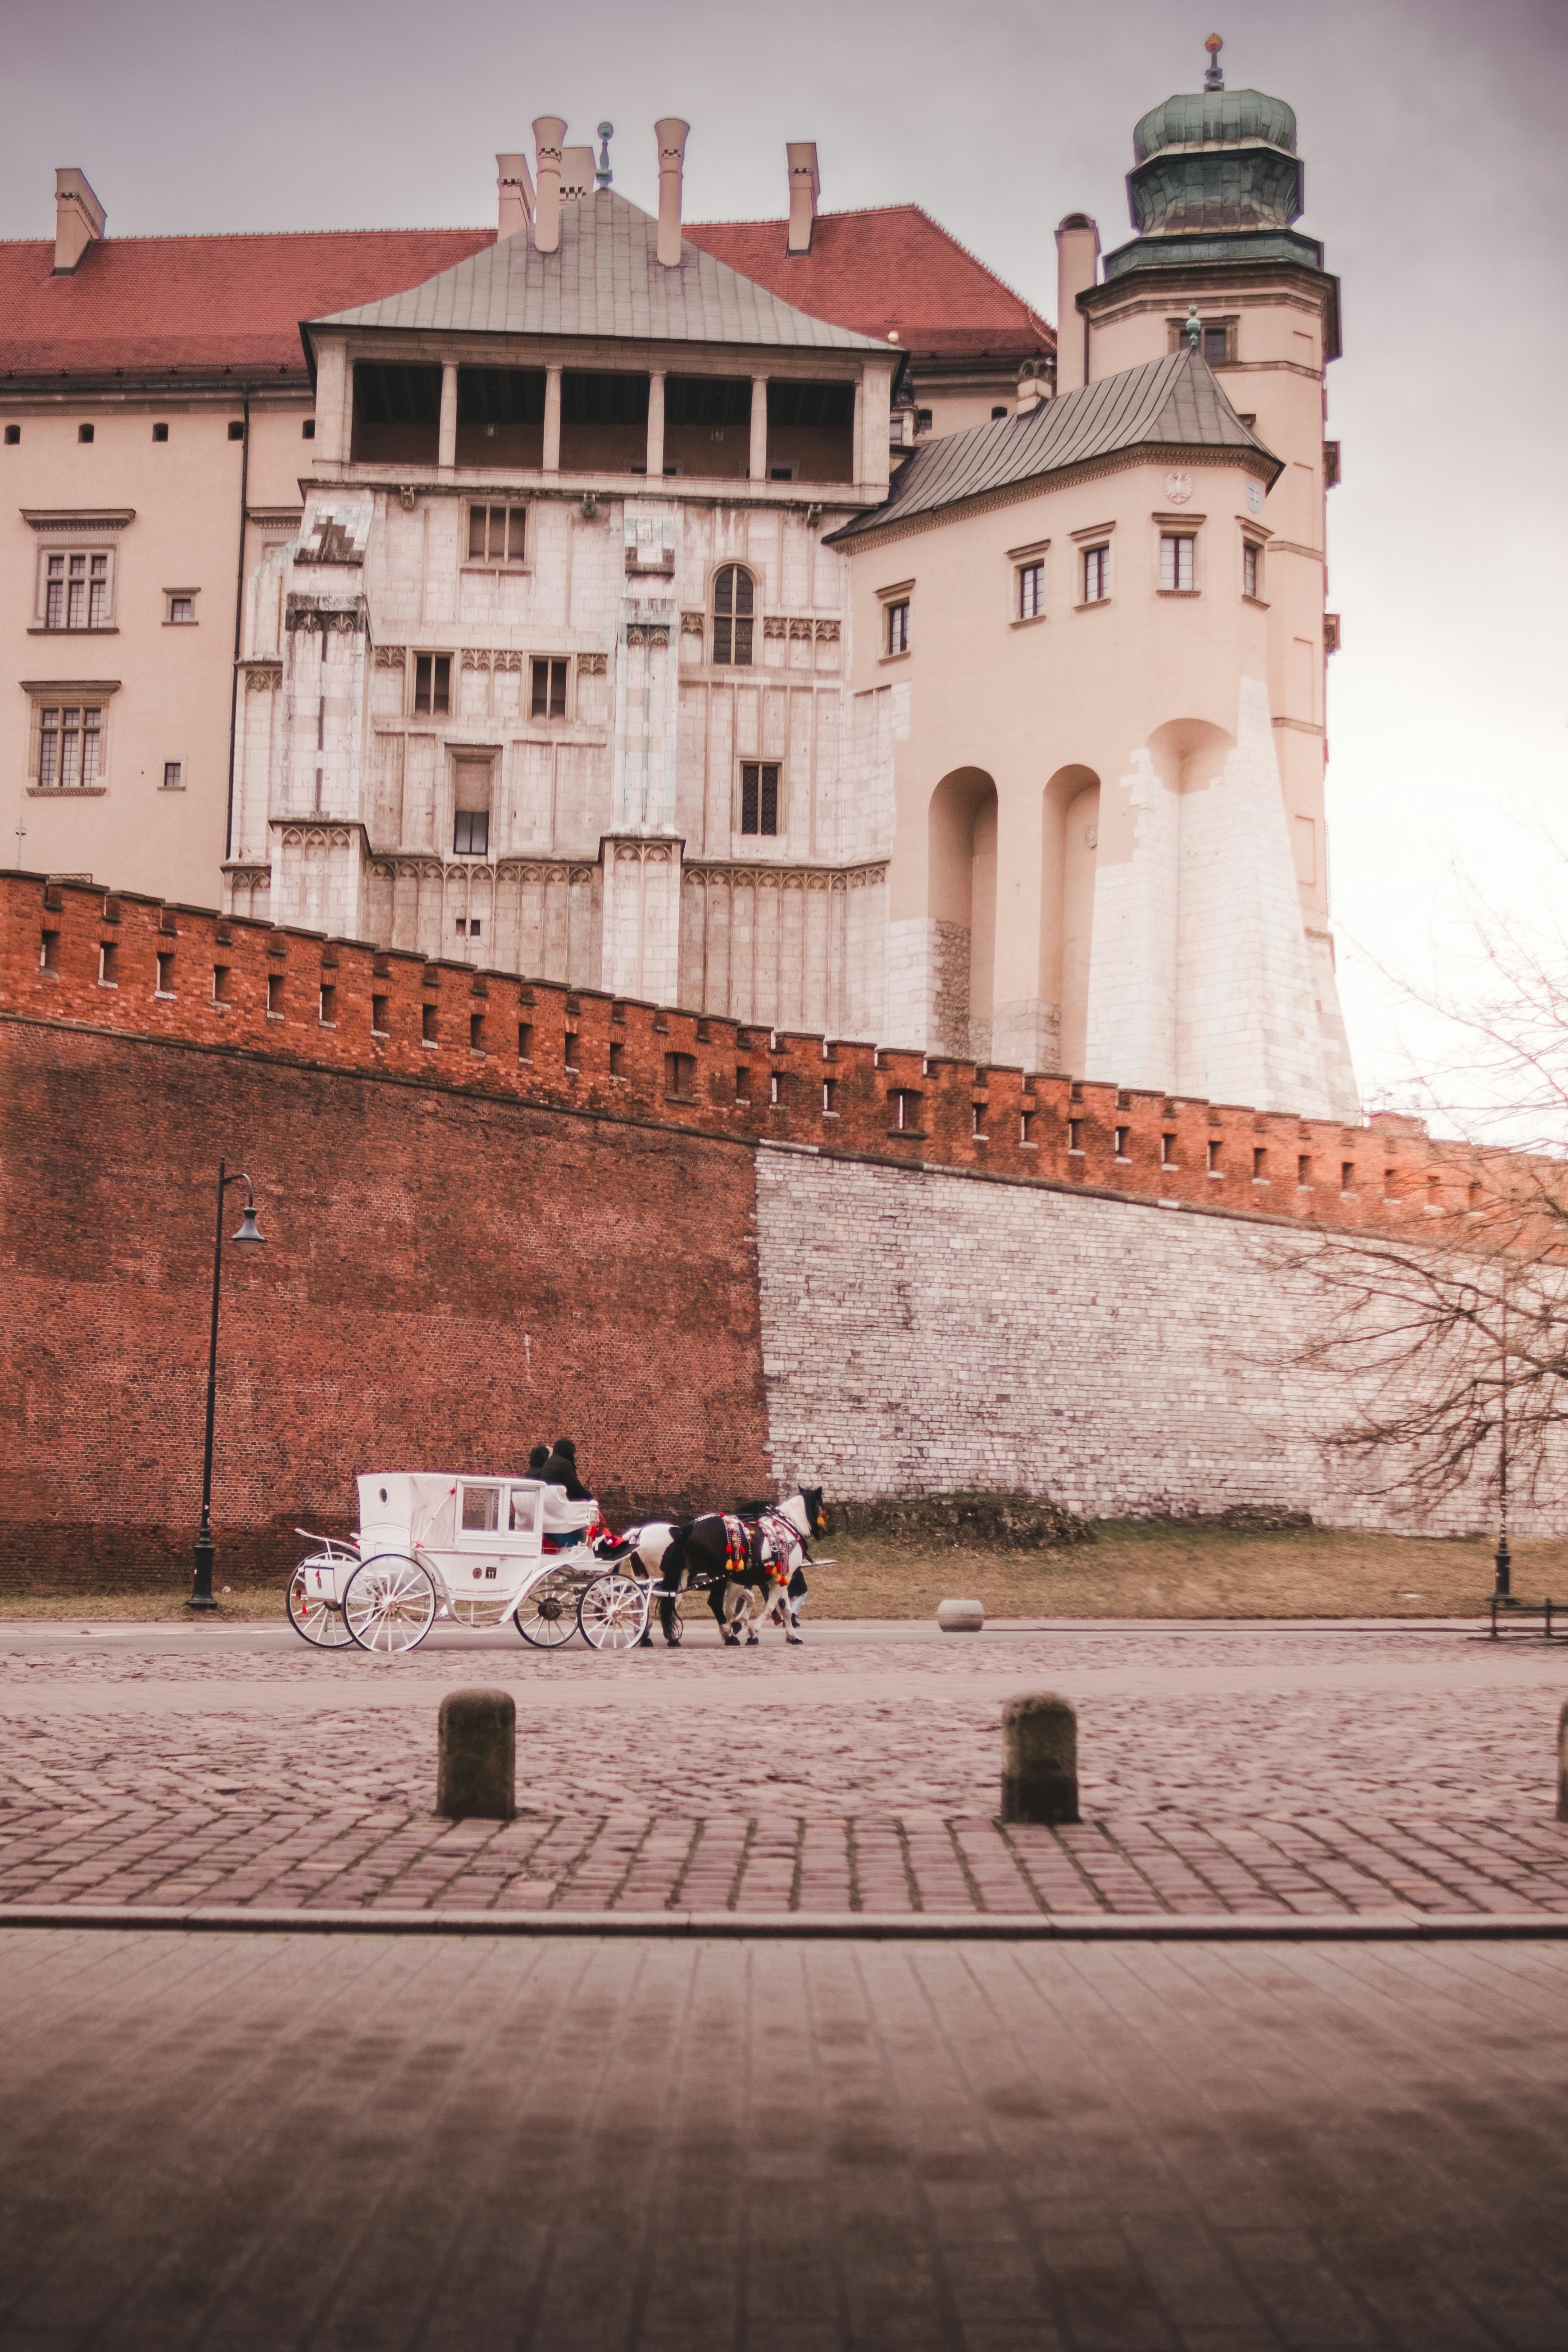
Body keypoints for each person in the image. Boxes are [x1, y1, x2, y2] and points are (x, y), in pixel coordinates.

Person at [541, 1437, 589, 1501]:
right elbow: (575, 1486)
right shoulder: (565, 1464)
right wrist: (590, 1497)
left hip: (549, 1499)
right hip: (563, 1500)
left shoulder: (549, 1461)